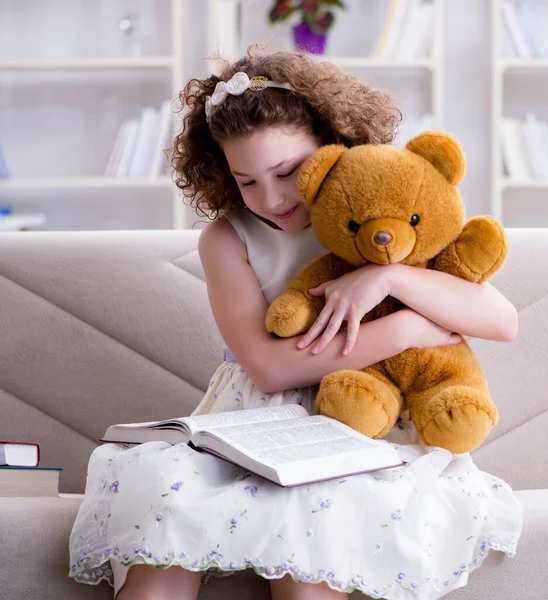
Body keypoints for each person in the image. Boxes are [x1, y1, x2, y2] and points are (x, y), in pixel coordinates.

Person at [69, 49, 522, 600]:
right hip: (256, 422)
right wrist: (404, 331)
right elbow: (266, 367)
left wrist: (387, 282)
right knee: (162, 531)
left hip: (361, 419)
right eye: (247, 181)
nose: (273, 198)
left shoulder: (389, 207)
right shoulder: (227, 239)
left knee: (308, 567)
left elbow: (500, 320)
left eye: (286, 172)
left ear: (332, 144)